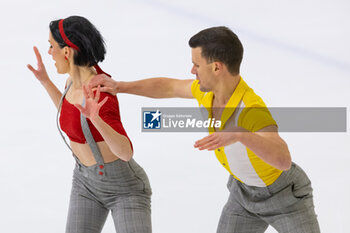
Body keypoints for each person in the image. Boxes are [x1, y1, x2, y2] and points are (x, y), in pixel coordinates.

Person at [88, 26, 320, 233]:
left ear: (216, 67)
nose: (192, 71)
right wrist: (120, 87)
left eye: (197, 65)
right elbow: (168, 87)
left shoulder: (251, 108)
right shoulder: (206, 91)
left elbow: (283, 159)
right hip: (243, 195)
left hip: (285, 198)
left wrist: (240, 133)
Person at [27, 16, 152, 233]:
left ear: (67, 52)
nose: (49, 53)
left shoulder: (99, 91)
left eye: (51, 46)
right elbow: (70, 114)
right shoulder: (71, 82)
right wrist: (46, 82)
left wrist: (97, 119)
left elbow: (125, 152)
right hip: (85, 183)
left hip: (125, 189)